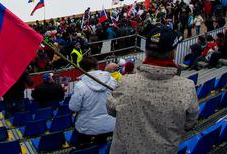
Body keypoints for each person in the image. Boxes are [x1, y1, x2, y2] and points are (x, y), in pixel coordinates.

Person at [107, 25, 198, 153]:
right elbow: (190, 123)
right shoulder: (187, 87)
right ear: (173, 52)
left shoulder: (125, 82)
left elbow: (111, 110)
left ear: (146, 50)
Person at [69, 56, 116, 147]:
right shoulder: (112, 80)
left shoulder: (80, 85)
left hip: (87, 128)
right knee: (101, 145)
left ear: (82, 68)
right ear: (97, 66)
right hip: (109, 125)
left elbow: (74, 107)